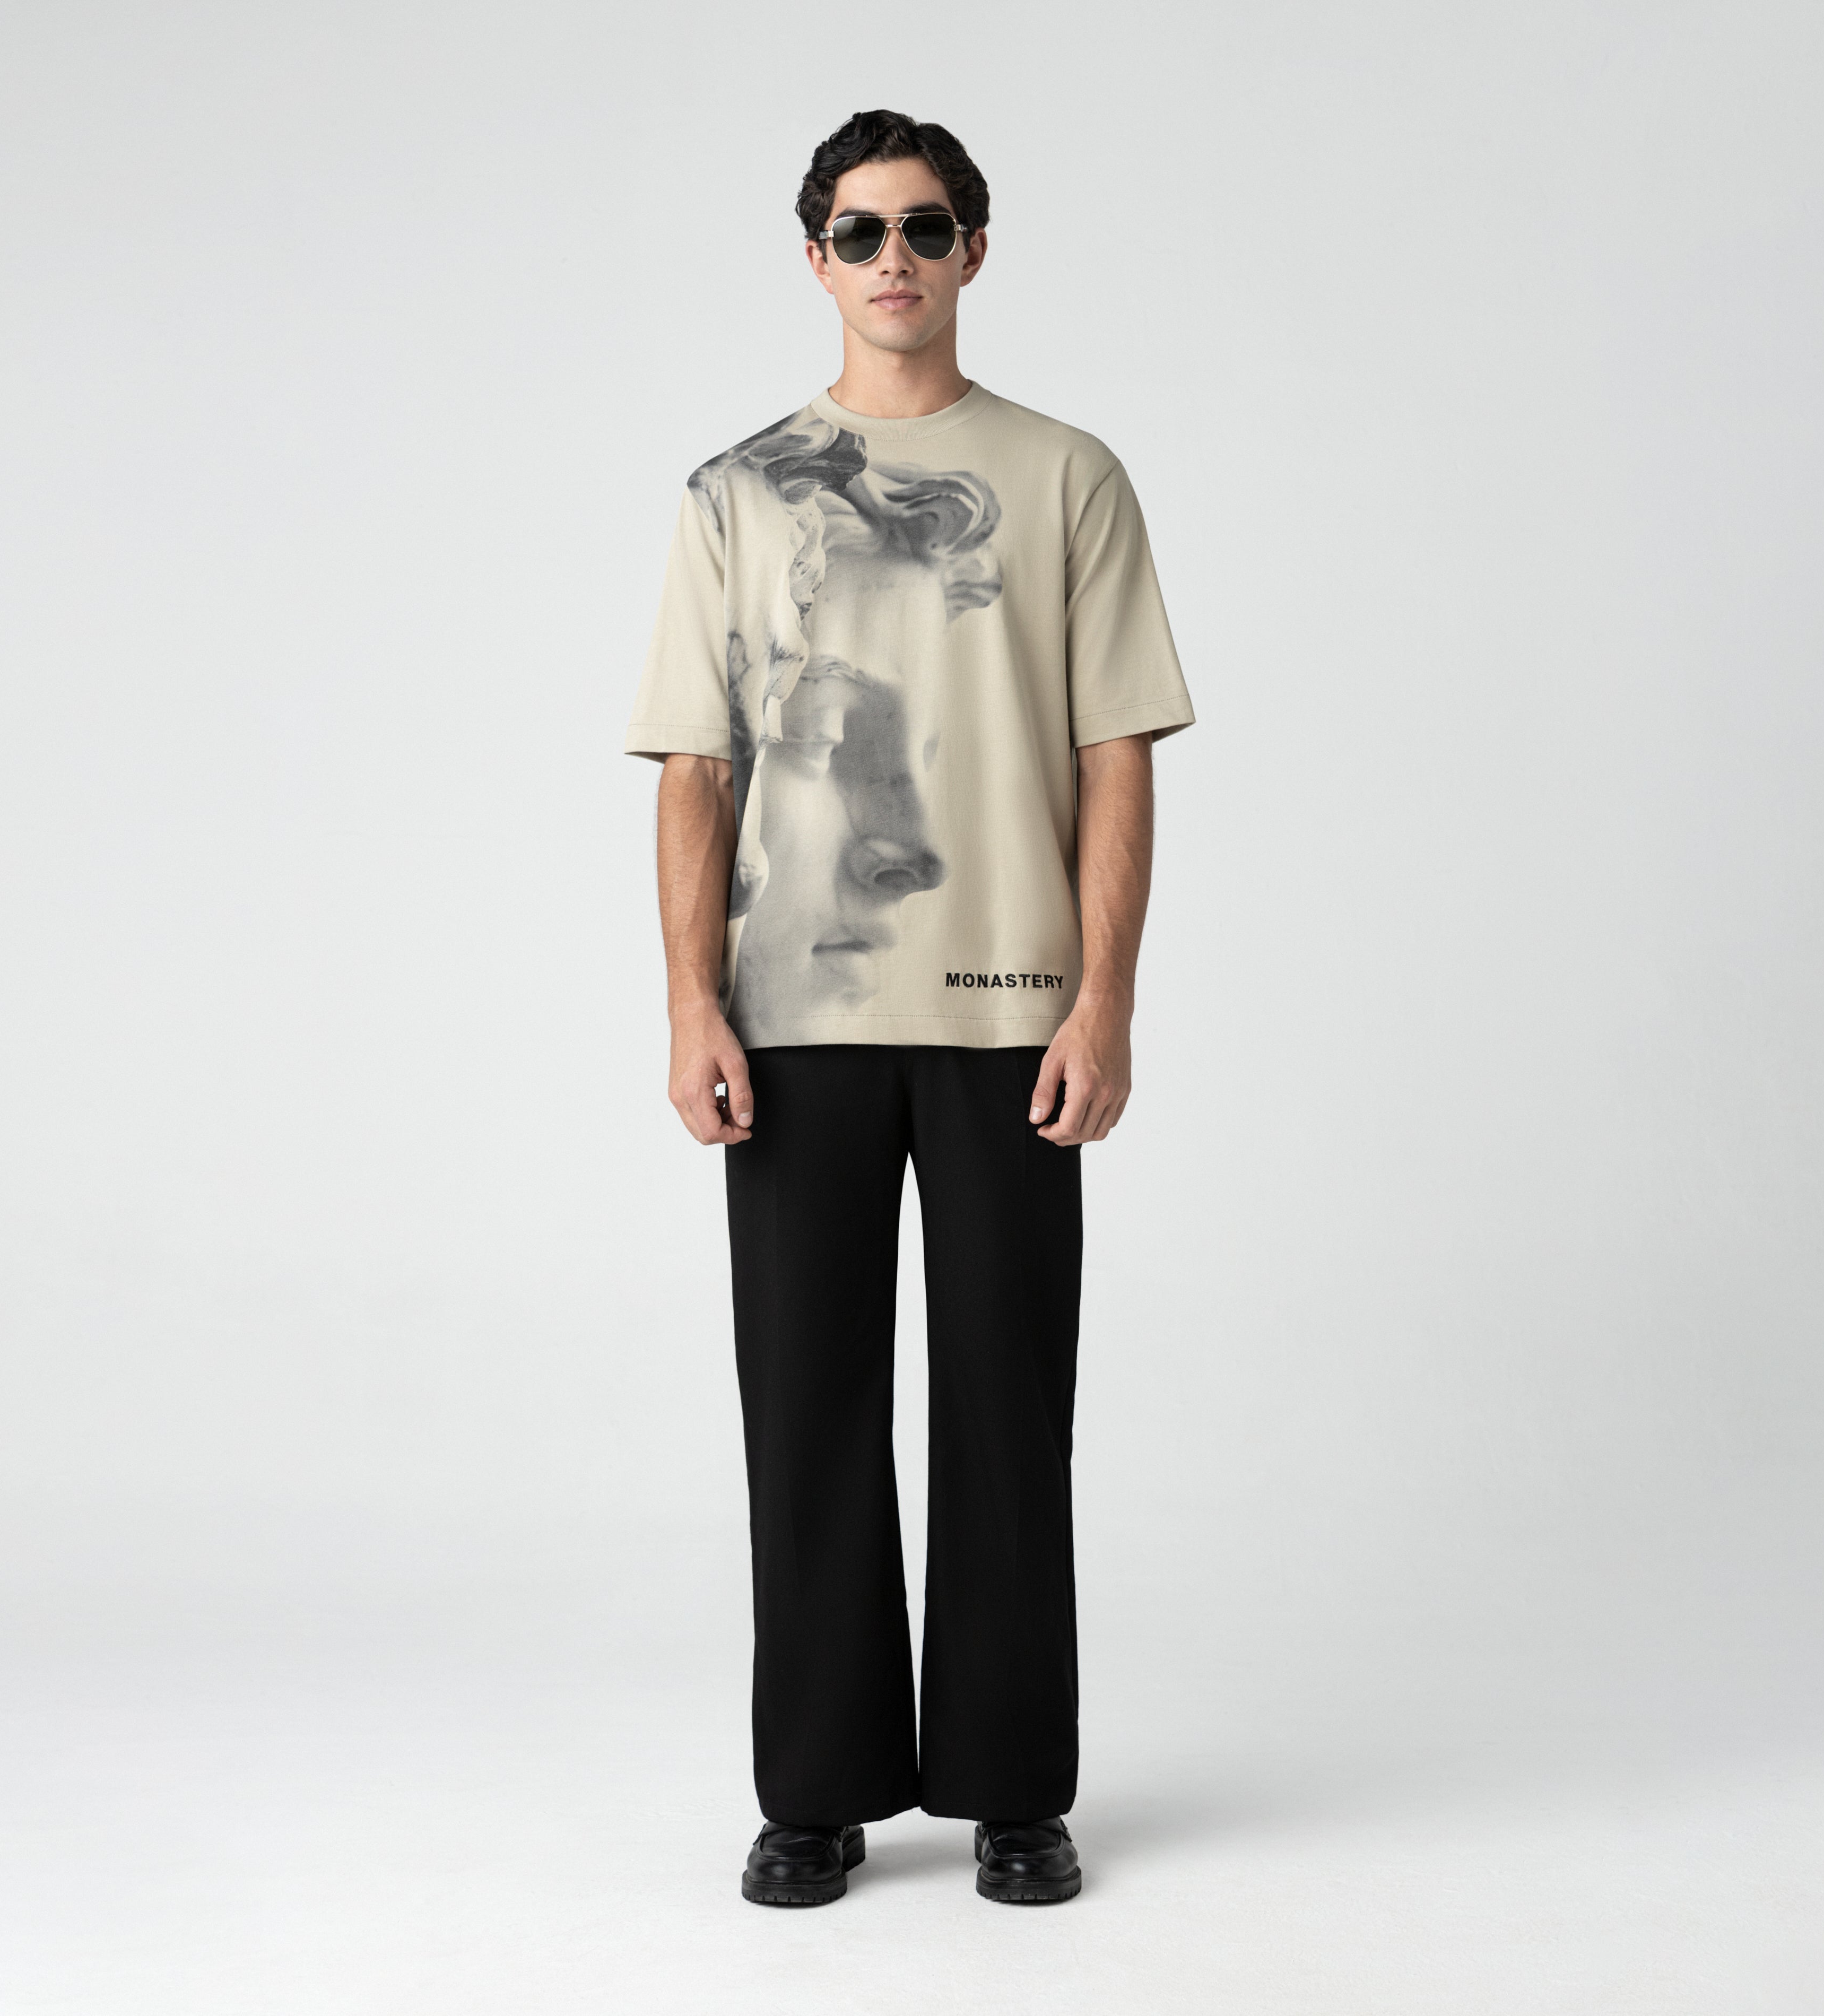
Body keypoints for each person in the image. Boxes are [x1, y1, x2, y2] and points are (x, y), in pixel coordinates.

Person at [624, 108, 1194, 1908]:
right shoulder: (734, 492)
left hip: (1015, 1009)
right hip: (792, 1014)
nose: (895, 259)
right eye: (862, 231)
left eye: (926, 228)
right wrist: (690, 1005)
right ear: (817, 259)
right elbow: (695, 767)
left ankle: (1018, 1786)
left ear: (973, 251)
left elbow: (1118, 754)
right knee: (805, 1407)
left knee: (1009, 1412)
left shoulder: (1068, 476)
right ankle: (817, 1791)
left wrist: (1104, 1003)